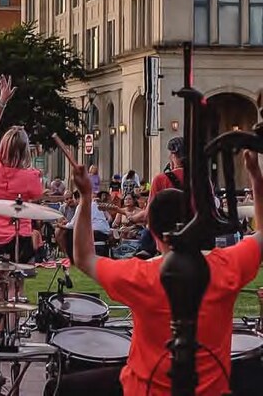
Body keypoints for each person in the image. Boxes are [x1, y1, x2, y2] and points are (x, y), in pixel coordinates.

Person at [68, 151, 263, 396]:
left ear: (152, 229)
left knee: (68, 386)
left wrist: (86, 198)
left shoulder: (140, 275)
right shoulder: (228, 266)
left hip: (144, 390)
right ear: (193, 222)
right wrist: (256, 176)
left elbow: (83, 257)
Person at [0, 75, 43, 300]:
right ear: (26, 152)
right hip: (18, 237)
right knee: (17, 289)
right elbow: (38, 196)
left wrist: (2, 101)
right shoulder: (31, 177)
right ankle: (13, 331)